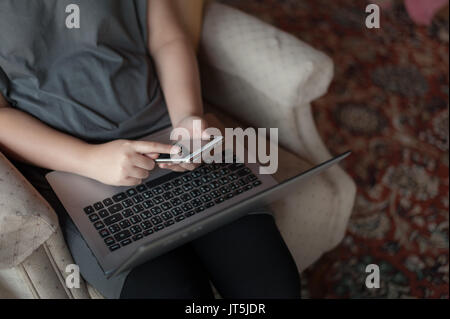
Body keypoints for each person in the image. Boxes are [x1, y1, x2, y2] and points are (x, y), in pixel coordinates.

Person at [0, 0, 301, 299]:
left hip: (172, 140)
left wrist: (186, 119)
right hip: (76, 169)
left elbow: (168, 40)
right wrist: (90, 160)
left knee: (273, 288)